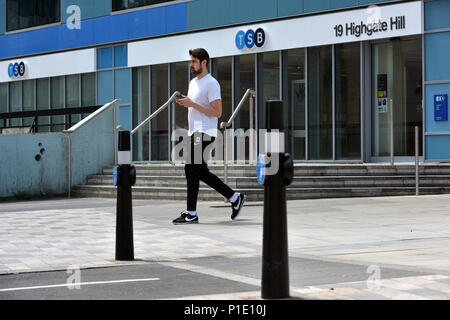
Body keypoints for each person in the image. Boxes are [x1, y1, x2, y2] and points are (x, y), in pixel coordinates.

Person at [172, 48, 246, 225]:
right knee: (201, 172)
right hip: (194, 131)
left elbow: (217, 112)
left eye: (194, 62)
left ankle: (191, 213)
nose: (191, 65)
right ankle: (235, 198)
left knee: (191, 169)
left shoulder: (212, 83)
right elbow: (196, 105)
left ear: (204, 62)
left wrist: (192, 104)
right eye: (190, 61)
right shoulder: (193, 83)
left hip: (205, 131)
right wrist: (187, 103)